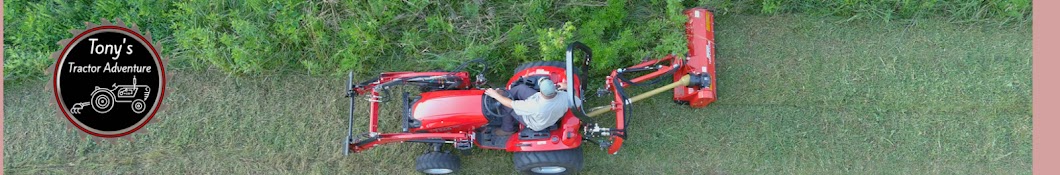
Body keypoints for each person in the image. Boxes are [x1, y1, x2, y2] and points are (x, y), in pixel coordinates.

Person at [483, 77, 580, 135]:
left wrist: (495, 95)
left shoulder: (533, 106)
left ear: (541, 91)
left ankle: (507, 129)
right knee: (520, 89)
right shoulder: (564, 97)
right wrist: (567, 87)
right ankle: (506, 93)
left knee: (504, 105)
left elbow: (510, 104)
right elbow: (577, 101)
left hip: (534, 122)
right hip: (548, 114)